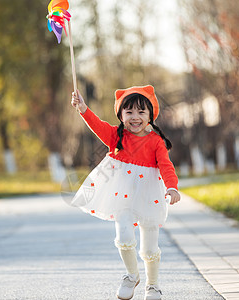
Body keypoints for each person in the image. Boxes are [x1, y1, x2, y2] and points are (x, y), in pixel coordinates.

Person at [70, 85, 180, 300]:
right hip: (122, 197)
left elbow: (166, 166)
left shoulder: (156, 141)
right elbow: (96, 125)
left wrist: (172, 187)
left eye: (141, 112)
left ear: (150, 115)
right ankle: (131, 275)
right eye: (129, 112)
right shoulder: (115, 136)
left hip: (150, 196)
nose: (135, 117)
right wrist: (83, 108)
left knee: (149, 248)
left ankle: (153, 285)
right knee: (124, 237)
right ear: (120, 115)